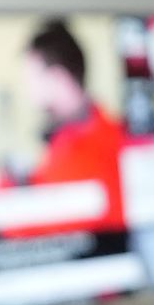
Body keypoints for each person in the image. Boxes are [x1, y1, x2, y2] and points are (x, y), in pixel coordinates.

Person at [13, 18, 124, 222]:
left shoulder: (79, 152)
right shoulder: (109, 130)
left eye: (30, 79)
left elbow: (38, 223)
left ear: (57, 77)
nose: (28, 91)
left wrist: (2, 187)